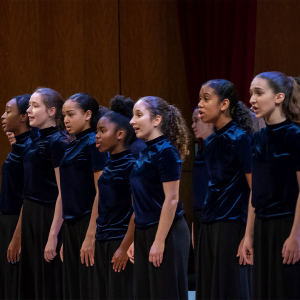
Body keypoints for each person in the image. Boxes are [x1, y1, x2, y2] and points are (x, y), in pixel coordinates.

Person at [243, 71, 300, 299]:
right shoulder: (257, 138)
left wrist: (296, 236)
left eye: (258, 93)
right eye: (250, 94)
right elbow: (255, 190)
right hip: (262, 227)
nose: (252, 100)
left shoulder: (295, 135)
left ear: (279, 97)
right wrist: (248, 235)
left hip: (287, 225)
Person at [196, 79, 253, 300]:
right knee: (209, 289)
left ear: (224, 104)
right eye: (200, 98)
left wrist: (248, 235)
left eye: (206, 99)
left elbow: (254, 190)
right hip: (209, 222)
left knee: (230, 288)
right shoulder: (210, 142)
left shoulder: (241, 138)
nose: (200, 104)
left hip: (232, 223)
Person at [129, 96, 190, 300]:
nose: (132, 121)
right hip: (146, 231)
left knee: (165, 292)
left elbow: (171, 199)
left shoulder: (166, 152)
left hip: (167, 232)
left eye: (138, 115)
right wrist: (135, 240)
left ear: (156, 120)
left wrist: (159, 240)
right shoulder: (145, 151)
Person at [18, 87, 68, 300]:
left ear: (51, 111)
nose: (28, 110)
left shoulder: (58, 142)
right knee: (32, 280)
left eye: (35, 105)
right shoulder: (35, 138)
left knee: (47, 279)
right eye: (29, 105)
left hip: (47, 216)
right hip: (31, 213)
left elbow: (63, 191)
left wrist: (53, 235)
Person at [59, 93, 107, 299]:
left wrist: (90, 235)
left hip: (89, 221)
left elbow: (102, 191)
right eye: (64, 115)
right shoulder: (72, 145)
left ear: (88, 115)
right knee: (74, 288)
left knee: (89, 287)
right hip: (71, 224)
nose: (66, 120)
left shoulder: (93, 143)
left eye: (71, 114)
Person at [94, 95, 136, 299]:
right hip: (103, 238)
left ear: (120, 134)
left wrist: (124, 247)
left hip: (119, 241)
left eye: (102, 131)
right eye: (97, 131)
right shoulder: (109, 162)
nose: (97, 136)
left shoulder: (132, 165)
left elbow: (138, 211)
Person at [0, 94, 35, 299]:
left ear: (23, 117)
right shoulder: (19, 146)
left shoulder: (30, 147)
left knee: (18, 284)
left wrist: (17, 236)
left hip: (18, 222)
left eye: (8, 111)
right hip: (7, 219)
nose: (3, 116)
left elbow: (29, 195)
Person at [191, 108, 214, 254]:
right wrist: (194, 223)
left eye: (196, 121)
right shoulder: (200, 151)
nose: (193, 125)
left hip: (214, 216)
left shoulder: (219, 149)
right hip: (200, 215)